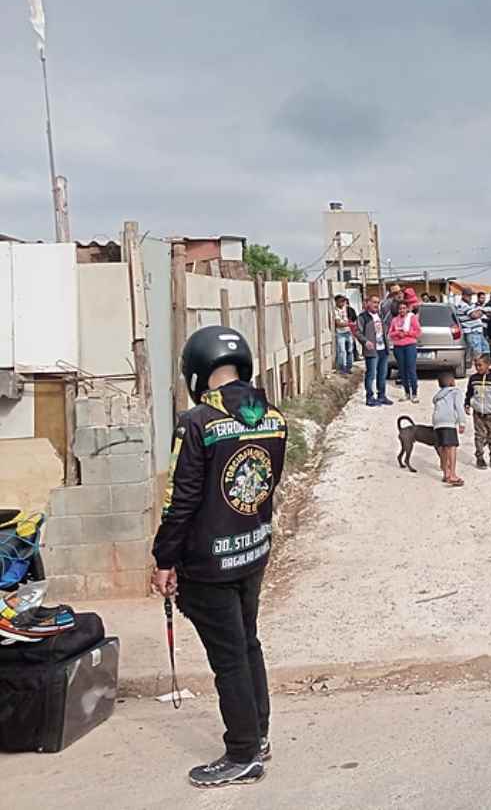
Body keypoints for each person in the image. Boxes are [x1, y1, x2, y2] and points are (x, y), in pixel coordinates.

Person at [151, 325, 286, 788]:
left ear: (195, 369)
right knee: (247, 644)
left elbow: (180, 499)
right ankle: (259, 737)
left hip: (209, 564)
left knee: (229, 658)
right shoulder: (273, 416)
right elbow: (267, 484)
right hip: (253, 550)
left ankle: (243, 753)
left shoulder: (197, 422)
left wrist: (164, 559)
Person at [464, 354, 491, 470]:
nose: (478, 368)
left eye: (480, 365)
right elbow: (469, 393)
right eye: (476, 365)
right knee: (479, 436)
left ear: (488, 365)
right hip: (478, 413)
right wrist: (467, 404)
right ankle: (480, 457)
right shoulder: (473, 379)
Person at [354, 294, 391, 406]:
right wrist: (365, 341)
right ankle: (369, 397)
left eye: (378, 303)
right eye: (374, 302)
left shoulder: (380, 315)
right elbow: (357, 332)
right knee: (371, 374)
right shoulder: (363, 317)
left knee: (382, 374)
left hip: (383, 349)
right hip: (372, 350)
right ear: (368, 303)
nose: (376, 305)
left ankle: (381, 396)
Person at [432, 369, 465, 486]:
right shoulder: (455, 392)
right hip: (448, 422)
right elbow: (459, 407)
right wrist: (462, 422)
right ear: (452, 382)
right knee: (452, 447)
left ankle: (446, 472)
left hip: (437, 423)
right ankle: (452, 475)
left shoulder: (438, 396)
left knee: (443, 447)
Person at [388, 300, 421, 403]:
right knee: (402, 371)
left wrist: (407, 333)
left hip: (410, 346)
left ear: (407, 309)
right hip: (398, 347)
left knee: (411, 369)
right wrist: (398, 333)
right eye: (400, 309)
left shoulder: (412, 318)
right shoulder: (394, 320)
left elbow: (418, 332)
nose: (402, 310)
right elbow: (390, 334)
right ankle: (406, 392)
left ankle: (414, 393)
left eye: (403, 308)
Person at [455, 287, 488, 368]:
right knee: (477, 352)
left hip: (478, 331)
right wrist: (482, 311)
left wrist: (480, 311)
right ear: (463, 295)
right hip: (472, 331)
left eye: (471, 295)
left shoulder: (471, 305)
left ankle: (484, 367)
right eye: (468, 295)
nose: (470, 297)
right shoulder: (462, 305)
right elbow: (474, 315)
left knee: (485, 349)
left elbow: (481, 313)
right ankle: (479, 368)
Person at [333, 295, 353, 374]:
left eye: (344, 301)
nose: (343, 303)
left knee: (350, 350)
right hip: (340, 333)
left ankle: (349, 367)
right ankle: (342, 368)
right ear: (336, 302)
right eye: (341, 301)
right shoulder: (335, 311)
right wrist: (349, 324)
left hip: (348, 332)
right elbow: (338, 323)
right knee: (342, 351)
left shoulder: (345, 309)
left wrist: (349, 324)